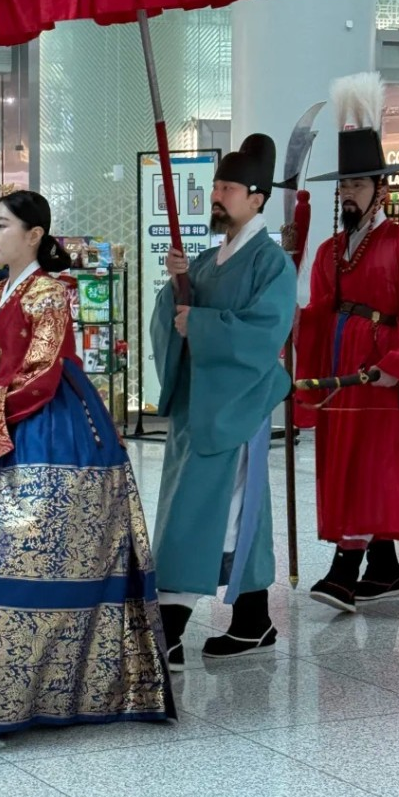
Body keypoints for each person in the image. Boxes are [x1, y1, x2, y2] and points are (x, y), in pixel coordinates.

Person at [0, 192, 173, 734]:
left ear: (35, 235)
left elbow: (41, 371)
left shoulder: (49, 293)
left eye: (2, 225)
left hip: (42, 427)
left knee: (24, 553)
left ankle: (38, 688)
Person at [296, 73, 399, 610]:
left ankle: (345, 567)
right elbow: (318, 312)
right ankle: (384, 567)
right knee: (349, 463)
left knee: (372, 467)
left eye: (357, 186)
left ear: (381, 190)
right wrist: (292, 323)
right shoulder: (328, 251)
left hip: (380, 373)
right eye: (343, 186)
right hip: (342, 370)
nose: (348, 194)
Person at [151, 135, 296, 668]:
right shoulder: (209, 261)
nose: (216, 196)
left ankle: (168, 627)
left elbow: (264, 331)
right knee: (235, 512)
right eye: (216, 186)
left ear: (257, 198)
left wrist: (201, 324)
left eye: (228, 188)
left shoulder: (271, 263)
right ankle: (254, 620)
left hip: (234, 407)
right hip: (199, 405)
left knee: (202, 512)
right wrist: (177, 284)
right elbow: (173, 319)